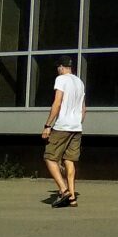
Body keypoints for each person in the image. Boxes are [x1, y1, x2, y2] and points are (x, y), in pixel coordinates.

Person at [41, 56, 86, 208]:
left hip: (62, 126)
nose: (57, 70)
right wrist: (77, 122)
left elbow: (57, 103)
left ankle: (64, 190)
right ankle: (72, 197)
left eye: (58, 67)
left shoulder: (61, 79)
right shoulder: (79, 82)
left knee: (49, 157)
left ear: (61, 67)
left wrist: (48, 125)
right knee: (69, 160)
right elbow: (83, 108)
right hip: (76, 127)